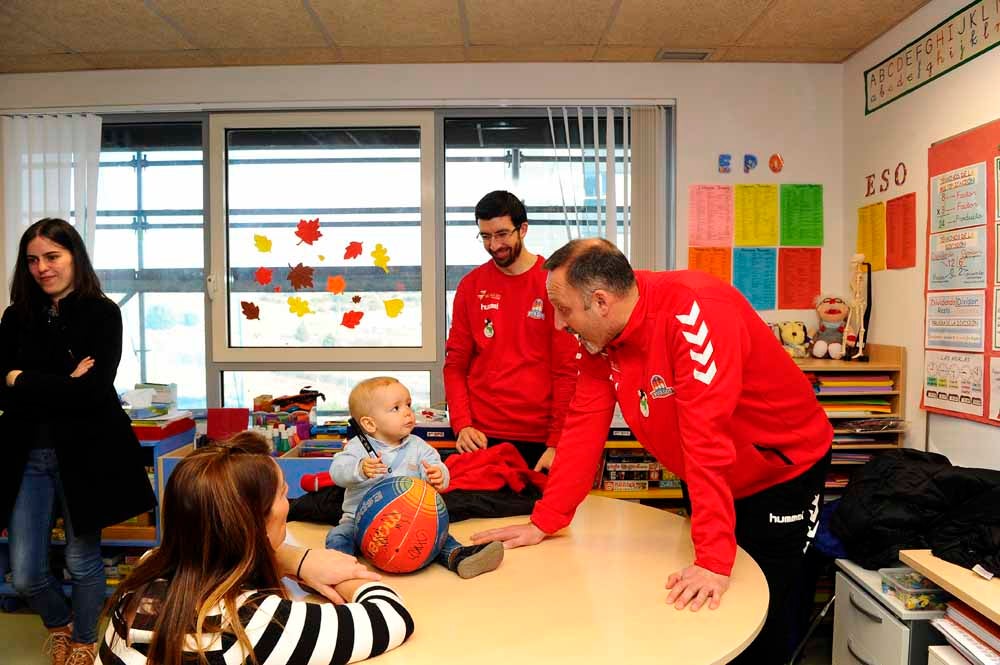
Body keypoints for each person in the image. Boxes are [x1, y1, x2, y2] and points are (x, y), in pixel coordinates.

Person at [472, 238, 833, 664]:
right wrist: (546, 520)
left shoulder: (696, 314)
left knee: (768, 610)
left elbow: (705, 441)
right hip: (708, 475)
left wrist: (715, 559)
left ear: (601, 301)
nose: (557, 324)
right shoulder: (599, 337)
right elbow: (583, 426)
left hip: (780, 472)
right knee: (709, 610)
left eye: (564, 309)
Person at [98, 431, 413, 665]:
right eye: (282, 495)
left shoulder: (146, 571)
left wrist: (289, 558)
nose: (288, 504)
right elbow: (392, 617)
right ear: (253, 524)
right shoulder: (250, 622)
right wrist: (345, 574)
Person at [0, 218, 158, 665]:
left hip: (87, 453)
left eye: (52, 257)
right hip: (27, 453)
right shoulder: (16, 316)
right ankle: (61, 624)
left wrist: (21, 379)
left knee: (81, 558)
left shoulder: (102, 313)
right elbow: (2, 383)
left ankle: (86, 639)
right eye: (32, 260)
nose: (41, 268)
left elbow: (91, 390)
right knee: (27, 573)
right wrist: (53, 381)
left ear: (74, 257)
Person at [443, 190, 579, 472]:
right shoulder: (471, 286)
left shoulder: (553, 283)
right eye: (485, 236)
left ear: (523, 229)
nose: (494, 245)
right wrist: (462, 423)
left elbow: (567, 371)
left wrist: (557, 442)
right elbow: (455, 365)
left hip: (540, 439)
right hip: (481, 437)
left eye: (502, 234)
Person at [326, 376, 504, 578]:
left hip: (412, 521)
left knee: (440, 536)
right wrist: (360, 468)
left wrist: (439, 476)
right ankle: (339, 569)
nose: (408, 412)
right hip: (361, 522)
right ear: (369, 423)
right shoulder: (358, 447)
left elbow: (438, 467)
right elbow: (337, 472)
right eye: (396, 408)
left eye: (408, 404)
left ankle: (459, 557)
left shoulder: (418, 446)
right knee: (338, 536)